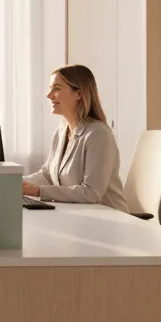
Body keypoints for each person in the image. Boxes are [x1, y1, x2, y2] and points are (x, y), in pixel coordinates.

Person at [22, 64, 130, 212]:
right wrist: (13, 182)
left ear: (79, 94)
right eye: (50, 88)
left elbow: (91, 193)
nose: (49, 95)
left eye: (57, 89)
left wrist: (38, 191)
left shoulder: (98, 134)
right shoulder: (61, 131)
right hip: (81, 214)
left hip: (109, 217)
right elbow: (48, 175)